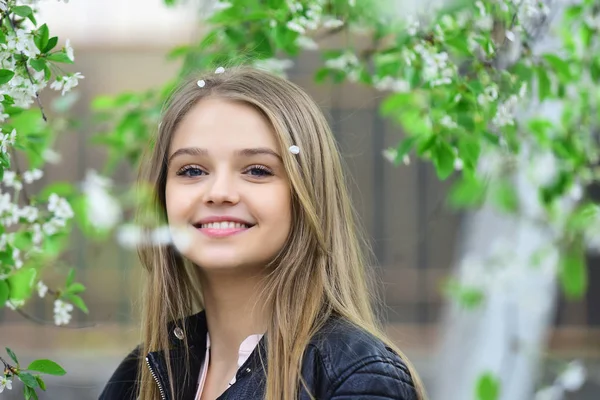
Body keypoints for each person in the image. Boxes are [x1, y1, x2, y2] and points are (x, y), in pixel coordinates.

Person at [99, 66, 426, 400]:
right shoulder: (138, 377)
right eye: (192, 170)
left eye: (257, 170)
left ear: (306, 194)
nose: (220, 192)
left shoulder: (355, 376)